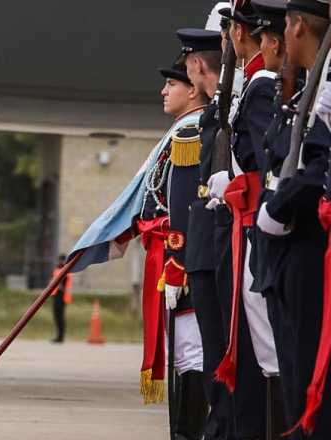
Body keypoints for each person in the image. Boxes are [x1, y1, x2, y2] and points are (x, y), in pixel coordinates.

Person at [209, 6, 283, 438]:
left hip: (258, 227)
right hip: (250, 224)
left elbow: (266, 167)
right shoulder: (255, 87)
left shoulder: (261, 87)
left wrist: (235, 186)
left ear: (241, 34)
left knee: (268, 347)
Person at [259, 0, 331, 436]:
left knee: (308, 380)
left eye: (284, 27)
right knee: (294, 375)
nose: (283, 37)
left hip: (308, 242)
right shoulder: (308, 85)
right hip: (290, 243)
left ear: (299, 24)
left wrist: (277, 207)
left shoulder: (324, 87)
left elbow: (321, 166)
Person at [179, 23, 235, 439]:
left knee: (225, 354)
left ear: (197, 64)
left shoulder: (232, 106)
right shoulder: (218, 110)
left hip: (226, 241)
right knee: (214, 354)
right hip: (206, 242)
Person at [155, 59, 209, 440]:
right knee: (183, 356)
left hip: (185, 261)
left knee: (192, 355)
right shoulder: (180, 130)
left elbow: (185, 205)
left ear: (192, 89)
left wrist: (177, 264)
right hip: (175, 256)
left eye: (172, 84)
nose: (164, 91)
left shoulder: (191, 132)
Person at [50, 254, 72, 344]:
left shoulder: (67, 270)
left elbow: (64, 284)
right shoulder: (56, 269)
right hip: (56, 296)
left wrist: (59, 286)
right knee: (56, 317)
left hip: (62, 297)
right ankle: (58, 336)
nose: (60, 262)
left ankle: (61, 337)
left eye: (62, 260)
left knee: (60, 318)